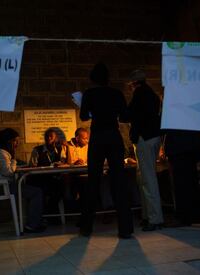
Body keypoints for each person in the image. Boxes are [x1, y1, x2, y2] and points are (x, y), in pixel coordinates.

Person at [79, 62, 134, 239]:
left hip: (97, 137)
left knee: (93, 180)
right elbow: (125, 116)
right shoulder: (116, 93)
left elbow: (83, 116)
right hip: (113, 136)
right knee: (118, 181)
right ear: (108, 78)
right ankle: (125, 228)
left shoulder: (89, 94)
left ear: (92, 78)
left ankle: (86, 227)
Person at [126, 69, 163, 231]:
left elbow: (128, 115)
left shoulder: (139, 94)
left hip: (144, 138)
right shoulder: (152, 95)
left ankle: (155, 219)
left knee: (148, 179)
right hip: (153, 137)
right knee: (145, 178)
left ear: (133, 84)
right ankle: (148, 216)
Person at [0, 128, 45, 233]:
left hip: (5, 186)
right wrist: (14, 159)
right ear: (8, 141)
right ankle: (32, 225)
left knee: (32, 187)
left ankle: (33, 221)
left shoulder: (2, 152)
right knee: (36, 192)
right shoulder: (0, 153)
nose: (17, 143)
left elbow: (9, 169)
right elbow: (8, 172)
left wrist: (23, 166)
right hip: (0, 188)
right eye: (15, 141)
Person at [164, 129, 200, 227]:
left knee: (180, 183)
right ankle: (195, 214)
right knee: (192, 180)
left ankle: (183, 216)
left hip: (178, 146)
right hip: (193, 144)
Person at [29, 128, 65, 224]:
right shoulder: (37, 150)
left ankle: (50, 215)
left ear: (56, 138)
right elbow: (32, 167)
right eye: (46, 136)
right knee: (50, 189)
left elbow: (64, 161)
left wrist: (60, 164)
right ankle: (49, 216)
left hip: (54, 178)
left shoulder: (60, 149)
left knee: (62, 188)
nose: (48, 138)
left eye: (51, 137)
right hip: (41, 178)